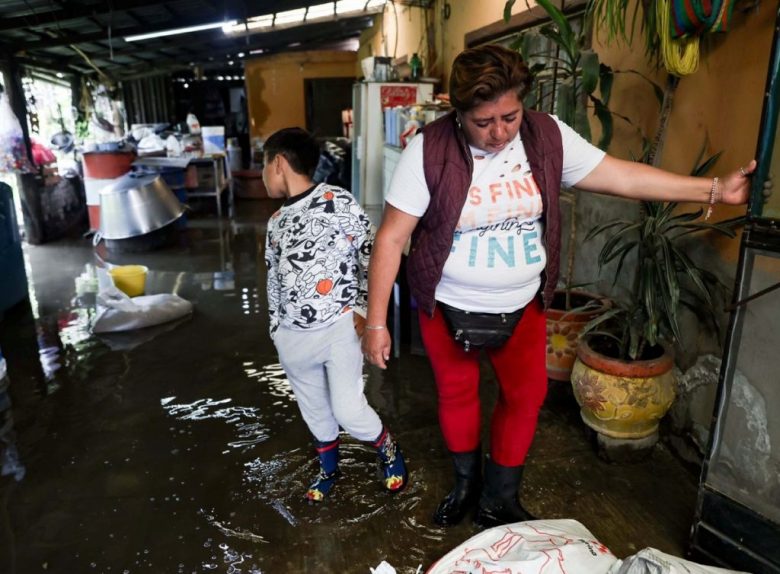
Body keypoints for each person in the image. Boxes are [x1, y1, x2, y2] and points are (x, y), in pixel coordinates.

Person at [361, 44, 753, 527]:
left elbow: (623, 177)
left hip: (523, 303)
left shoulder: (546, 137)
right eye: (484, 123)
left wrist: (714, 189)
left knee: (524, 398)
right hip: (447, 305)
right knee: (457, 395)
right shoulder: (429, 150)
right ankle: (466, 486)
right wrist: (376, 322)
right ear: (458, 112)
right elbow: (392, 237)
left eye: (509, 116)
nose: (500, 132)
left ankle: (499, 497)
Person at [263, 127, 408, 502]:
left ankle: (388, 449)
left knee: (347, 407)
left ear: (278, 163)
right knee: (314, 410)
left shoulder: (335, 200)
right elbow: (273, 277)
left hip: (338, 328)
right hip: (292, 336)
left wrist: (362, 308)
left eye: (264, 165)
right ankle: (329, 468)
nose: (263, 174)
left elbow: (369, 252)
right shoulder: (275, 222)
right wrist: (276, 327)